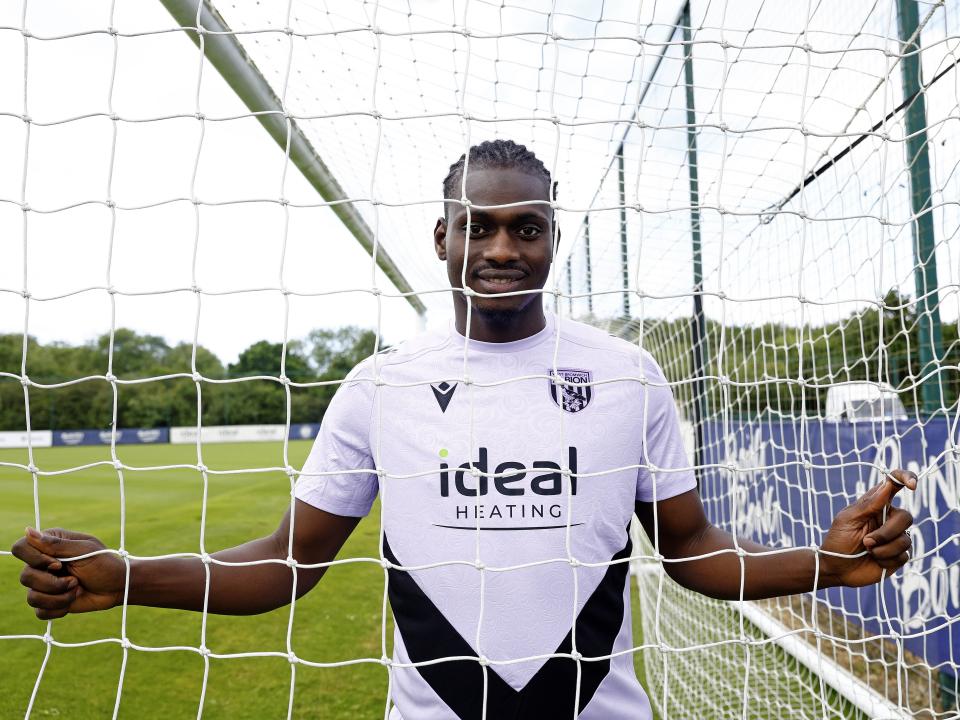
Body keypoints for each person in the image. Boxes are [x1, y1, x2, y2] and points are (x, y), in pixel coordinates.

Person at [12, 140, 916, 720]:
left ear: (553, 240)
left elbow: (688, 550)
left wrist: (824, 564)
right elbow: (286, 565)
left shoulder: (627, 375)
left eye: (528, 228)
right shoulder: (381, 387)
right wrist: (129, 578)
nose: (503, 250)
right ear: (442, 238)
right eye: (479, 228)